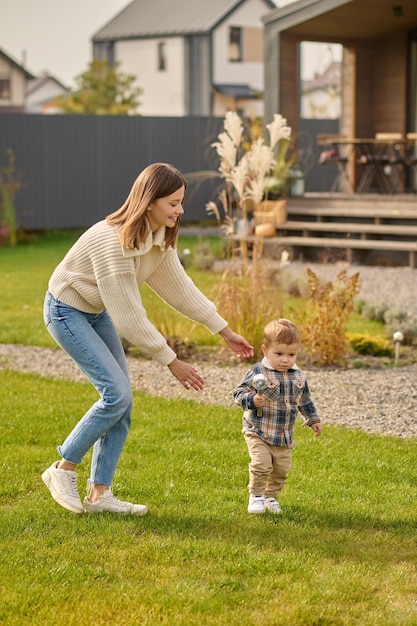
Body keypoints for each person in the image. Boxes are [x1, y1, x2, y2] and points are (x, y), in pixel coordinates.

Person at [42, 162, 254, 516]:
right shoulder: (111, 241)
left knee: (122, 402)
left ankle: (100, 495)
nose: (180, 210)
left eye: (181, 201)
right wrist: (171, 360)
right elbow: (128, 317)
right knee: (117, 394)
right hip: (67, 311)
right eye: (173, 203)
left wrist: (225, 331)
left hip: (96, 312)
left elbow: (181, 290)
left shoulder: (158, 239)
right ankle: (63, 467)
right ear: (149, 201)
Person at [233, 318, 321, 515]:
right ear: (265, 351)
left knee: (281, 470)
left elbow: (304, 400)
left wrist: (313, 419)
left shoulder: (298, 376)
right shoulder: (258, 372)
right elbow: (238, 393)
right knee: (262, 464)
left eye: (291, 354)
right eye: (279, 353)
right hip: (258, 430)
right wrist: (251, 400)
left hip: (284, 435)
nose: (285, 359)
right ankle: (255, 496)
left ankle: (270, 497)